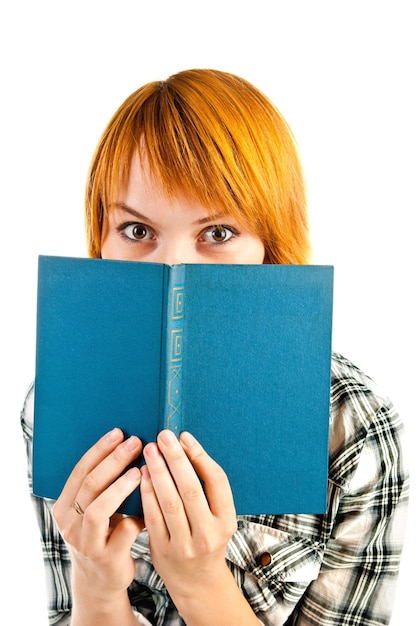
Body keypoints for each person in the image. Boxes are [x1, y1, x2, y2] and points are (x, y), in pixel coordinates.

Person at [21, 68, 409, 626]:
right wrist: (95, 585)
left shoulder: (355, 426)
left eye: (218, 233)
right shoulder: (56, 402)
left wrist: (200, 581)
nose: (173, 266)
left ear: (270, 244)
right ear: (100, 239)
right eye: (136, 230)